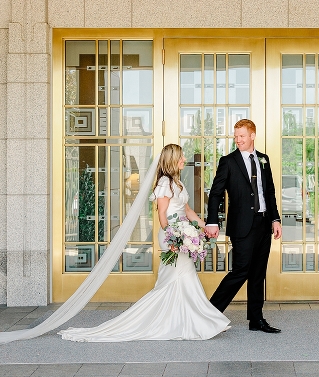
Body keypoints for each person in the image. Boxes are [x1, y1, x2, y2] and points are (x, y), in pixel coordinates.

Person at [58, 144, 230, 342]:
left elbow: (188, 211)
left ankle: (191, 321)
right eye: (181, 157)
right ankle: (188, 322)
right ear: (172, 160)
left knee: (184, 278)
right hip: (171, 235)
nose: (184, 159)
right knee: (176, 278)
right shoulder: (164, 183)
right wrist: (173, 237)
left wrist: (205, 226)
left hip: (182, 234)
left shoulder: (178, 182)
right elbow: (162, 214)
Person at [205, 119, 283, 333]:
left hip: (263, 223)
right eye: (236, 136)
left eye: (241, 136)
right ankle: (210, 314)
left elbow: (269, 192)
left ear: (252, 136)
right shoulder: (228, 161)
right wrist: (212, 220)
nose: (238, 140)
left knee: (258, 273)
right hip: (242, 225)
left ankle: (256, 319)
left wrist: (275, 219)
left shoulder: (263, 159)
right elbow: (216, 193)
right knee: (241, 271)